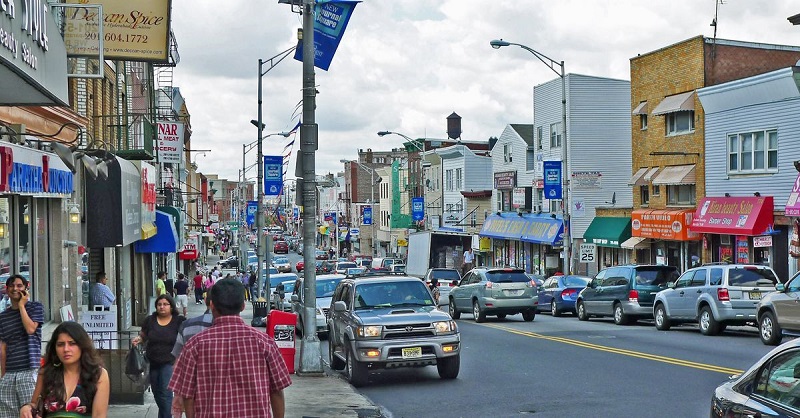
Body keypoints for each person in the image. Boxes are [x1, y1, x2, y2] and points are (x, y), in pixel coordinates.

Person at [168, 278, 291, 417]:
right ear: (243, 306)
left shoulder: (194, 345)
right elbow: (277, 391)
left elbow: (187, 395)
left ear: (212, 305)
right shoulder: (265, 343)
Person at [19, 322, 110, 418]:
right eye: (60, 344)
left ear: (82, 346)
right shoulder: (46, 372)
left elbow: (99, 415)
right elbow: (34, 404)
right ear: (55, 348)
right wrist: (26, 407)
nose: (66, 349)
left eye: (72, 343)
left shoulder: (98, 374)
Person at [133, 295, 185, 418]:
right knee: (157, 394)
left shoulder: (179, 321)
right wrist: (138, 339)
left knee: (165, 393)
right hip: (152, 362)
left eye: (165, 304)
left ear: (171, 306)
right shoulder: (150, 320)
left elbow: (185, 339)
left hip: (170, 362)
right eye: (159, 304)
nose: (162, 307)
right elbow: (144, 335)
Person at [0, 274, 43, 417]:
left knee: (30, 413)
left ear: (25, 288)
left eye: (19, 285)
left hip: (29, 369)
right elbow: (3, 347)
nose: (15, 288)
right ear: (7, 290)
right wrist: (3, 373)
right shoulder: (3, 317)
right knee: (8, 414)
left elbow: (30, 329)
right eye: (11, 286)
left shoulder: (35, 307)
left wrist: (21, 306)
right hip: (10, 373)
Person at [169, 294, 214, 418]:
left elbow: (177, 361)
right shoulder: (247, 336)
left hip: (194, 393)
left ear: (206, 301)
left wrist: (177, 393)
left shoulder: (187, 326)